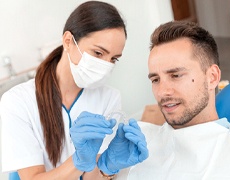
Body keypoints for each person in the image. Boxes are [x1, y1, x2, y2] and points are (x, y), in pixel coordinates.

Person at [0, 1, 148, 180]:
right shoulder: (17, 102)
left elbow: (91, 178)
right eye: (98, 53)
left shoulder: (109, 97)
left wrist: (108, 168)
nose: (105, 65)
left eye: (114, 59)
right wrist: (78, 161)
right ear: (68, 41)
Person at [115, 20, 230, 179]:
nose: (162, 92)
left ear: (212, 77)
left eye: (176, 75)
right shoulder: (138, 149)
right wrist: (105, 170)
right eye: (155, 80)